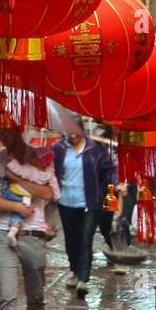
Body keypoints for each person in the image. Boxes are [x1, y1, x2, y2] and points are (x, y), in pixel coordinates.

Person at [0, 127, 60, 310]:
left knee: (36, 294)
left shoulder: (40, 157)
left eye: (6, 131)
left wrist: (15, 179)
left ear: (18, 129)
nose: (2, 136)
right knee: (6, 295)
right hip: (3, 233)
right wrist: (16, 206)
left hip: (34, 233)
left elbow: (48, 193)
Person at [53, 116, 116, 298]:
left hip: (90, 201)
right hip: (66, 201)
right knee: (71, 239)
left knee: (86, 238)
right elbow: (51, 170)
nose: (72, 134)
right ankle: (75, 270)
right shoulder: (59, 148)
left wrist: (115, 184)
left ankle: (83, 279)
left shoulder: (95, 148)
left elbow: (108, 169)